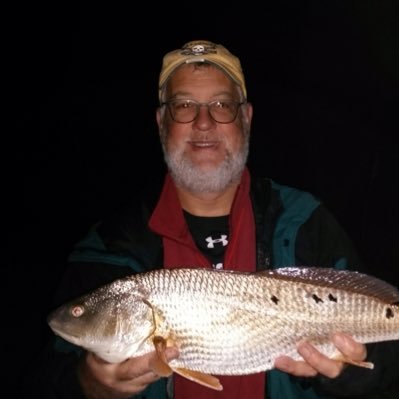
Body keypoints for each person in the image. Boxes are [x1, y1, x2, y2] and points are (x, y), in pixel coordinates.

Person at [22, 40, 398, 399]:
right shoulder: (108, 247)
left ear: (246, 119)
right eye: (184, 105)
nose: (204, 122)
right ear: (161, 122)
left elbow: (386, 363)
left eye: (222, 105)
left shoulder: (305, 222)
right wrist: (90, 386)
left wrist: (348, 374)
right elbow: (46, 380)